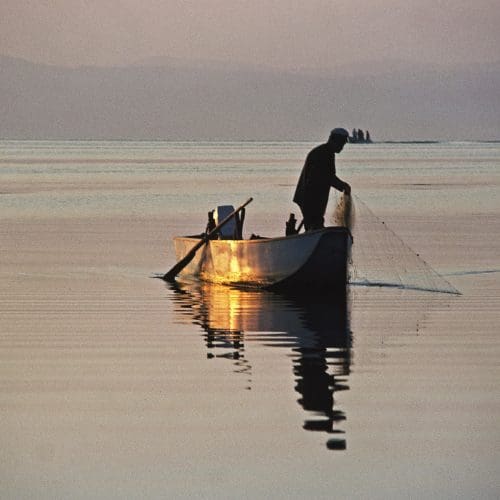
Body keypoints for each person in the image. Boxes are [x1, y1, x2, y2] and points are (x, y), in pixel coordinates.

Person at [293, 128, 351, 231]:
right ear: (334, 140)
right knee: (314, 225)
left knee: (314, 225)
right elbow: (327, 176)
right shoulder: (323, 154)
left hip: (313, 198)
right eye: (341, 144)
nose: (342, 147)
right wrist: (343, 186)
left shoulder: (326, 152)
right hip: (310, 198)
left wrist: (342, 186)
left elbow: (327, 176)